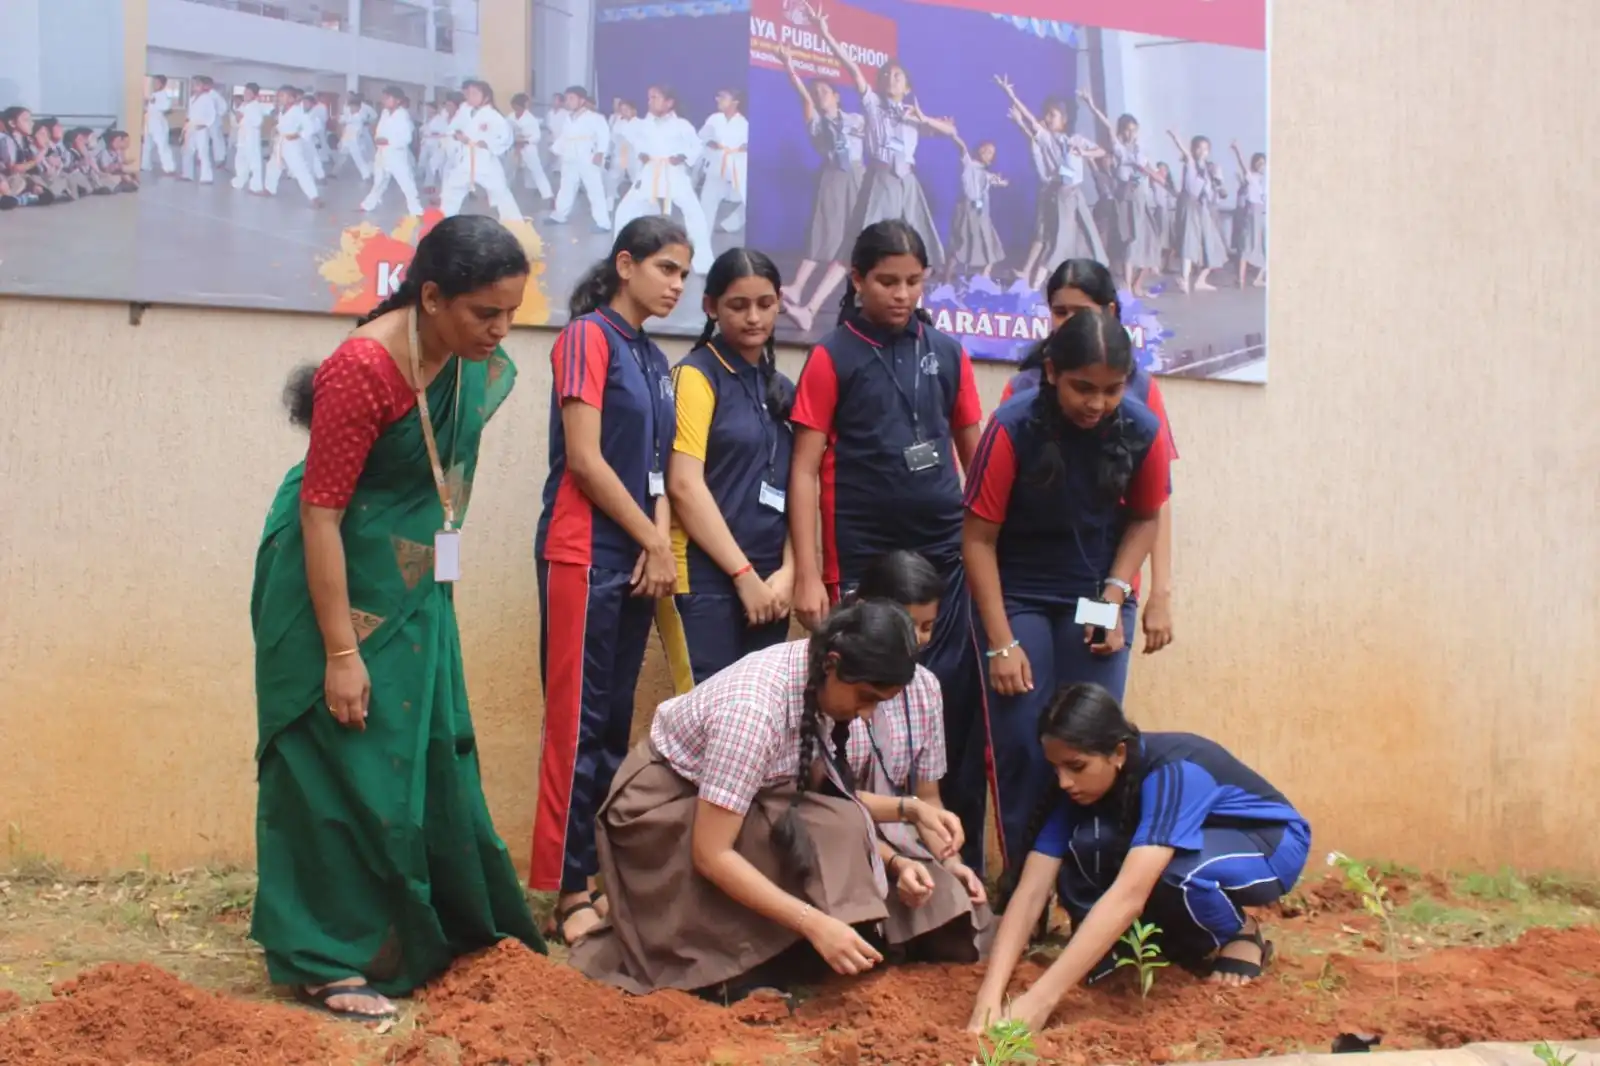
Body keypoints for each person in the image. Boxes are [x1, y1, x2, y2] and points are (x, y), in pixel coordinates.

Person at [250, 215, 544, 1021]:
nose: (500, 331)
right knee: (339, 761)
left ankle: (424, 928)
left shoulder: (456, 357)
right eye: (486, 314)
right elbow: (320, 518)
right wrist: (341, 652)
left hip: (413, 577)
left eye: (511, 312)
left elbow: (431, 489)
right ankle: (327, 956)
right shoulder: (363, 370)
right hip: (330, 588)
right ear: (432, 295)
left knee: (425, 749)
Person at [569, 601, 974, 996]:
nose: (868, 715)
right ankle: (716, 953)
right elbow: (711, 854)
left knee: (837, 825)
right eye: (866, 698)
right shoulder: (754, 711)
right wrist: (814, 923)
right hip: (660, 816)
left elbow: (822, 800)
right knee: (791, 838)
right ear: (832, 664)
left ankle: (783, 950)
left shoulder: (822, 683)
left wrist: (906, 832)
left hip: (739, 806)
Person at [788, 219, 990, 872]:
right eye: (887, 282)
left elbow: (974, 456)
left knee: (949, 705)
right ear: (857, 281)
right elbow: (804, 468)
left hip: (944, 564)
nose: (901, 294)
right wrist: (809, 576)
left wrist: (992, 553)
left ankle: (953, 864)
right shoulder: (832, 356)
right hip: (862, 558)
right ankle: (855, 867)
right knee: (859, 704)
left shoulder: (948, 352)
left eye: (913, 282)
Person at [968, 684, 1310, 1031]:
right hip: (1198, 844)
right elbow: (1031, 891)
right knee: (1088, 843)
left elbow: (1131, 894)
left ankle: (1240, 933)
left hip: (1269, 842)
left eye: (1076, 766)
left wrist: (1039, 1001)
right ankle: (1144, 943)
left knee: (1180, 874)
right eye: (1056, 769)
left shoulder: (1174, 773)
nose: (1065, 782)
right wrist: (988, 1000)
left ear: (1118, 753)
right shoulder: (1078, 788)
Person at [963, 306, 1172, 873]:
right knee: (1026, 747)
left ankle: (1086, 887)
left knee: (1094, 746)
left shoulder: (1143, 429)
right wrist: (1001, 643)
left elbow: (1146, 518)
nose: (1096, 404)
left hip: (1094, 595)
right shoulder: (1010, 426)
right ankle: (1023, 889)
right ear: (1052, 372)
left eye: (1110, 389)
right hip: (1018, 596)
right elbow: (978, 539)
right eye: (1083, 387)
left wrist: (1115, 598)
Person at [531, 216, 691, 943]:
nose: (676, 284)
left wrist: (658, 546)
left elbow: (658, 471)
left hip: (632, 561)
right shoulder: (587, 338)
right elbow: (586, 460)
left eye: (684, 273)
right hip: (581, 554)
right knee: (576, 724)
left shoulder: (657, 362)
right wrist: (653, 538)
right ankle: (566, 892)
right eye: (665, 268)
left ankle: (593, 875)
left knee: (613, 726)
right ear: (625, 265)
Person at [996, 259, 1179, 656]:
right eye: (1060, 312)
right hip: (1029, 583)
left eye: (1081, 313)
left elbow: (1154, 503)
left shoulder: (1140, 398)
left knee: (1086, 709)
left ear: (1110, 313)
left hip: (1106, 580)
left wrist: (1159, 593)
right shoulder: (1021, 394)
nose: (1067, 323)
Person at [657, 248, 795, 692]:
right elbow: (683, 485)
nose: (753, 317)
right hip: (704, 578)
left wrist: (790, 572)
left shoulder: (781, 388)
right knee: (705, 715)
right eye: (738, 306)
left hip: (772, 583)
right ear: (711, 307)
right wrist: (743, 577)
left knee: (759, 720)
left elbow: (800, 487)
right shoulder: (695, 376)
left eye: (765, 304)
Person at [783, 5, 955, 332]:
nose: (892, 77)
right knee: (857, 248)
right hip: (880, 182)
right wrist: (824, 33)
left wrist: (925, 120)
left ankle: (910, 314)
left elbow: (950, 132)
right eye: (887, 74)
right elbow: (850, 65)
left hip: (908, 184)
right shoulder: (872, 106)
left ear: (907, 87)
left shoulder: (911, 114)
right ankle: (810, 308)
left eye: (898, 75)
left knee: (925, 252)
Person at [773, 43, 864, 329]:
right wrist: (790, 68)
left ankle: (809, 306)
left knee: (849, 245)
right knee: (823, 234)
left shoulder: (856, 121)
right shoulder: (817, 124)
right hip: (834, 178)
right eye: (816, 94)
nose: (819, 96)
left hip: (858, 179)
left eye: (825, 91)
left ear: (837, 96)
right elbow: (804, 97)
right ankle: (798, 289)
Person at [995, 77, 1106, 290]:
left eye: (1053, 114)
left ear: (1064, 119)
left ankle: (1083, 275)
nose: (1048, 118)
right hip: (1061, 193)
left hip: (1076, 194)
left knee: (1087, 234)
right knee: (1057, 239)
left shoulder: (1074, 139)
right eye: (1047, 114)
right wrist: (1011, 95)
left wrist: (1085, 152)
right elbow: (1030, 120)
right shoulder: (1046, 138)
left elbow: (1102, 151)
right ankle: (1035, 283)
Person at [612, 84, 714, 275]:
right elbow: (635, 140)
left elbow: (697, 146)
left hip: (673, 173)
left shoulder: (682, 125)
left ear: (669, 103)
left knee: (694, 214)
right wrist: (641, 153)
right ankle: (619, 255)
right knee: (625, 210)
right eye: (649, 97)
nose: (650, 101)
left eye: (655, 97)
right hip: (651, 171)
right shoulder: (643, 124)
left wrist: (683, 156)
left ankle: (704, 262)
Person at [1078, 91, 1163, 298]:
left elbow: (1145, 168)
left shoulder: (1139, 149)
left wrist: (1153, 175)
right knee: (1133, 239)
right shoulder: (1120, 149)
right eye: (1127, 130)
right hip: (1129, 197)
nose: (1131, 134)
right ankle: (1128, 284)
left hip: (1140, 198)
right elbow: (1107, 124)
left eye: (1134, 130)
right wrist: (1091, 103)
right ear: (1122, 131)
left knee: (1149, 240)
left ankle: (1134, 284)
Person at [442, 80, 520, 223]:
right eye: (469, 93)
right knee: (451, 191)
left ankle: (517, 226)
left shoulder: (493, 115)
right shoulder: (465, 109)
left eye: (475, 93)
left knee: (501, 193)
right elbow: (453, 127)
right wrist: (457, 134)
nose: (470, 96)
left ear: (486, 96)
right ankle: (442, 223)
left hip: (485, 161)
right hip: (466, 160)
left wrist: (487, 143)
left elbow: (505, 137)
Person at [1167, 129, 1229, 293]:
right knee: (1189, 240)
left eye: (1206, 149)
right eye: (1199, 148)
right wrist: (1176, 137)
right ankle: (1184, 279)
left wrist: (1220, 185)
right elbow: (1185, 153)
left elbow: (1218, 191)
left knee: (1213, 244)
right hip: (1189, 203)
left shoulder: (1210, 169)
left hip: (1202, 207)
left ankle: (1200, 280)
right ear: (1194, 149)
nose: (1202, 152)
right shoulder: (1191, 163)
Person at [548, 85, 611, 230]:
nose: (568, 101)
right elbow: (564, 137)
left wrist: (600, 153)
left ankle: (603, 223)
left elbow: (604, 135)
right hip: (569, 156)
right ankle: (559, 214)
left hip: (587, 156)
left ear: (582, 100)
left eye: (572, 98)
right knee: (566, 187)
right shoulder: (568, 118)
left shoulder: (595, 117)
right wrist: (555, 150)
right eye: (567, 98)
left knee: (594, 189)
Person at [361, 86, 425, 217]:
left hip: (396, 153)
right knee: (379, 181)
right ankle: (368, 204)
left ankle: (416, 209)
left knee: (406, 182)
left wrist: (389, 141)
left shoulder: (403, 115)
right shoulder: (385, 113)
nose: (384, 100)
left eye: (388, 98)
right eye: (384, 98)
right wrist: (378, 138)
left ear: (398, 100)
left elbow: (407, 138)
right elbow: (379, 131)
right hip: (382, 152)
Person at [697, 88, 748, 233]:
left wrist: (744, 148)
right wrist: (710, 143)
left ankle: (732, 224)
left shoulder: (744, 123)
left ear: (735, 102)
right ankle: (701, 239)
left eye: (723, 97)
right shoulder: (714, 119)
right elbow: (702, 137)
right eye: (718, 96)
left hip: (738, 169)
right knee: (707, 203)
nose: (717, 99)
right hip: (717, 167)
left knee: (751, 202)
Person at [265, 86, 321, 207]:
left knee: (300, 169)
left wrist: (298, 135)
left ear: (291, 98)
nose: (279, 98)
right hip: (280, 142)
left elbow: (310, 128)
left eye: (282, 96)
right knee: (273, 165)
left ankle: (314, 197)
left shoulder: (297, 111)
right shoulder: (282, 110)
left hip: (291, 144)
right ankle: (270, 189)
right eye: (279, 95)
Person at [1230, 141, 1268, 288]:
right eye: (1259, 163)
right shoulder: (1251, 177)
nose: (1261, 165)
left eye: (1263, 163)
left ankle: (1253, 278)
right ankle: (1241, 279)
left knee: (1259, 246)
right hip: (1252, 212)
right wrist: (1237, 149)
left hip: (1260, 214)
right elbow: (1242, 164)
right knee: (1246, 245)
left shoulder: (1264, 180)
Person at [507, 93, 554, 201]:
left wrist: (525, 141)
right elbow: (506, 131)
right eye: (513, 106)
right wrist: (512, 141)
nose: (515, 108)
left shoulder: (530, 119)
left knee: (536, 170)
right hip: (514, 146)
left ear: (522, 106)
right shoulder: (510, 117)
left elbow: (536, 136)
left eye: (517, 106)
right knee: (509, 170)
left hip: (528, 147)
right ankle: (503, 191)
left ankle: (547, 194)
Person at [230, 83, 273, 195]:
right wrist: (239, 117)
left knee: (254, 163)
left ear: (254, 95)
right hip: (242, 137)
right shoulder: (243, 105)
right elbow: (237, 120)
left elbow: (258, 122)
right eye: (245, 92)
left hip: (251, 137)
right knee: (240, 161)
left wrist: (243, 118)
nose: (246, 95)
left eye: (249, 93)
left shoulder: (256, 106)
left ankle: (256, 186)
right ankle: (239, 181)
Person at [180, 75, 221, 184]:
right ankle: (187, 174)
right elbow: (189, 114)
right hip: (191, 127)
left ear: (203, 86)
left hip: (201, 128)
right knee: (187, 151)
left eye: (198, 84)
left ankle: (206, 177)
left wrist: (205, 125)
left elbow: (212, 115)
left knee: (203, 153)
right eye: (194, 84)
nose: (195, 86)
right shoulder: (192, 98)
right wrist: (186, 124)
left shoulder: (207, 98)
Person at [334, 92, 376, 181]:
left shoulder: (359, 116)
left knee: (358, 158)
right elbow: (342, 120)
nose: (351, 108)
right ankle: (334, 172)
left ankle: (366, 175)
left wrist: (342, 118)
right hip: (346, 138)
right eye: (350, 107)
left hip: (354, 139)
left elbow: (347, 120)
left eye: (353, 107)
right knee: (341, 155)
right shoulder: (350, 115)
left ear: (358, 107)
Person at [142, 75, 176, 175]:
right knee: (146, 146)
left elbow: (166, 107)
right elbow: (147, 108)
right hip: (149, 123)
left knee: (162, 146)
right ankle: (145, 166)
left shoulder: (164, 95)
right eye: (154, 82)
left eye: (157, 82)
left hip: (158, 124)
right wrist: (147, 103)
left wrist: (154, 102)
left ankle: (169, 168)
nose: (155, 84)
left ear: (163, 84)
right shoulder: (153, 94)